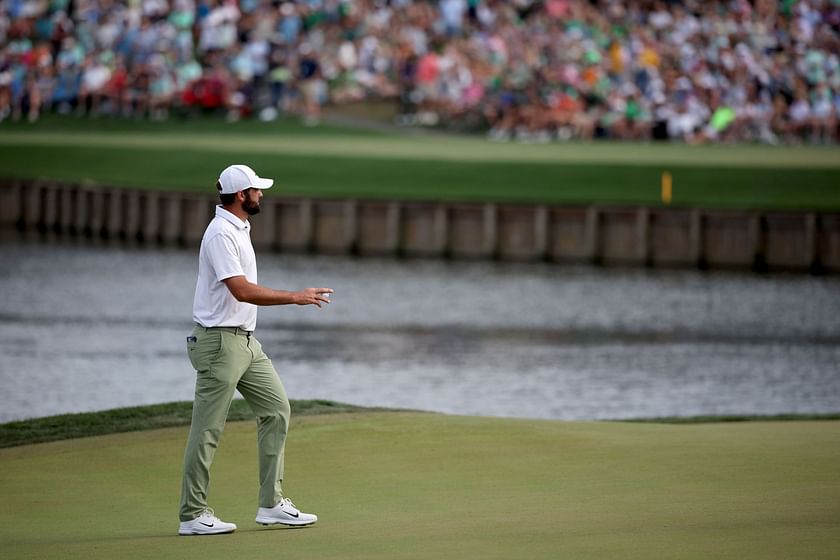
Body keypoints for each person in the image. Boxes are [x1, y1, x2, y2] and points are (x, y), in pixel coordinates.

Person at [178, 164, 333, 536]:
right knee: (208, 429)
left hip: (246, 342)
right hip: (218, 343)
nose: (261, 194)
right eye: (256, 190)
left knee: (277, 410)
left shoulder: (238, 229)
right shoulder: (220, 234)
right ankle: (192, 515)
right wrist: (295, 296)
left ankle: (270, 504)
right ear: (240, 195)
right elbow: (242, 290)